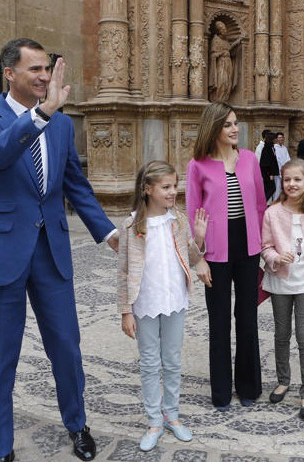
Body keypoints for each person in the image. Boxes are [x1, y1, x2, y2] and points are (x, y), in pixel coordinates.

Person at [0, 38, 118, 462]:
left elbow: (75, 186)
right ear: (9, 73)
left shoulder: (64, 126)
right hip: (1, 256)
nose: (45, 77)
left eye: (47, 69)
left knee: (67, 347)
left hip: (51, 251)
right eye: (35, 69)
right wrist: (41, 114)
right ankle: (0, 449)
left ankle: (77, 424)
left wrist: (108, 233)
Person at [117, 161, 208, 452]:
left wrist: (201, 239)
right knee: (149, 363)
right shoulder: (132, 225)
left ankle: (172, 414)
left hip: (174, 300)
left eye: (174, 186)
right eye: (166, 187)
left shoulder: (178, 220)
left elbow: (191, 255)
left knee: (172, 361)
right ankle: (154, 420)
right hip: (145, 302)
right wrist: (125, 311)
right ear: (147, 189)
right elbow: (122, 272)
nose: (172, 192)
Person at [186, 101, 266, 411]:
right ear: (214, 128)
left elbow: (259, 204)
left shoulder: (248, 160)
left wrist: (261, 245)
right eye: (228, 124)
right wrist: (198, 257)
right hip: (215, 252)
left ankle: (248, 386)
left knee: (247, 318)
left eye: (236, 123)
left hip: (247, 247)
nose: (235, 129)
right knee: (218, 322)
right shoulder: (198, 165)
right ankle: (220, 391)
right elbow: (193, 214)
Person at [261, 158, 304, 419]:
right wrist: (276, 257)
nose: (291, 184)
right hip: (280, 282)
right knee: (281, 334)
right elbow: (265, 246)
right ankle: (283, 379)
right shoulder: (272, 212)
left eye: (297, 179)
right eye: (287, 179)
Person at [208, 21, 241, 102]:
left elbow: (231, 52)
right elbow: (213, 55)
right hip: (221, 63)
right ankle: (218, 99)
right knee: (222, 81)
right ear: (218, 30)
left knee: (228, 83)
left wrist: (235, 46)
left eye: (225, 29)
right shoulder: (215, 40)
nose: (224, 30)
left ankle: (224, 99)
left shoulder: (226, 41)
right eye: (222, 29)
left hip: (228, 63)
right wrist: (222, 53)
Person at [259, 131, 278, 202]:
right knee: (271, 188)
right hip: (267, 173)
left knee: (270, 188)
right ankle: (263, 202)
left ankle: (263, 202)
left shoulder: (271, 147)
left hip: (268, 172)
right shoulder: (267, 149)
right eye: (274, 138)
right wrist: (270, 173)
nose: (276, 139)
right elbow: (266, 163)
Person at [273, 132, 291, 201]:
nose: (281, 139)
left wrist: (286, 166)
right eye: (279, 137)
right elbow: (277, 159)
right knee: (277, 188)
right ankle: (275, 201)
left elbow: (288, 158)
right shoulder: (274, 147)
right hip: (278, 171)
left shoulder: (284, 148)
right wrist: (280, 167)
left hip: (285, 170)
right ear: (276, 139)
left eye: (282, 137)